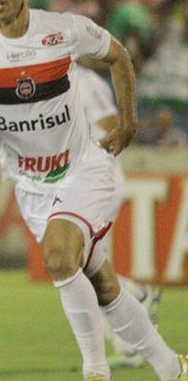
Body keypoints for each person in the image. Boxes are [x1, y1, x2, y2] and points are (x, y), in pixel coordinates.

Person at [0, 0, 187, 381]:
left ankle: (95, 371)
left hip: (84, 168)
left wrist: (129, 120)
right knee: (104, 285)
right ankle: (172, 367)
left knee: (59, 257)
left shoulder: (63, 31)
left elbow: (118, 56)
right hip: (30, 187)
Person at [75, 64, 161, 370]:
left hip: (97, 181)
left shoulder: (85, 82)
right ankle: (131, 343)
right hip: (78, 185)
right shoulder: (52, 82)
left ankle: (134, 300)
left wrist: (85, 158)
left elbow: (114, 126)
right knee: (84, 269)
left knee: (82, 267)